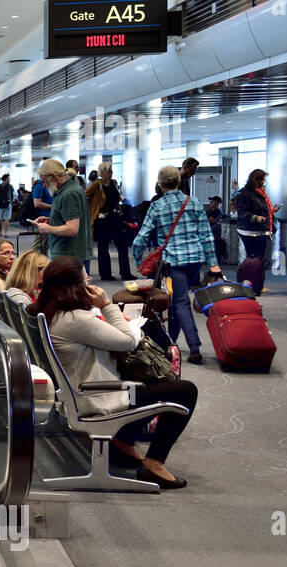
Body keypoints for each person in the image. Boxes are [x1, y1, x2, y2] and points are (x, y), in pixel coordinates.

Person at [29, 256, 195, 488]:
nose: (89, 279)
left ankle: (123, 442)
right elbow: (129, 342)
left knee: (150, 384)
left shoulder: (52, 311)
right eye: (85, 277)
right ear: (77, 286)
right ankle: (154, 464)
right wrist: (107, 306)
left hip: (80, 393)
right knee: (185, 391)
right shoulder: (76, 319)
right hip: (97, 397)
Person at [132, 165, 221, 366]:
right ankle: (169, 341)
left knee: (180, 300)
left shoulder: (157, 206)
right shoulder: (194, 202)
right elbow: (207, 236)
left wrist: (140, 262)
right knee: (177, 299)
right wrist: (213, 264)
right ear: (179, 183)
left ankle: (194, 345)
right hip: (195, 259)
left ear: (160, 184)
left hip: (174, 261)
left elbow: (140, 239)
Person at [32, 157, 93, 266]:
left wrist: (48, 228)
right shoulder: (65, 191)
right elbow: (71, 219)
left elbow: (71, 229)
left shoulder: (69, 194)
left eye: (45, 181)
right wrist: (51, 220)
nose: (44, 185)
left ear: (54, 177)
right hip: (67, 254)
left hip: (68, 255)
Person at [89, 162, 133, 281]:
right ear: (102, 172)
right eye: (109, 170)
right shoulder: (96, 185)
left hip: (115, 218)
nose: (112, 172)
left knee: (123, 246)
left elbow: (118, 197)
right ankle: (105, 274)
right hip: (102, 220)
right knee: (103, 247)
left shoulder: (113, 183)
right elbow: (84, 196)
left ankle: (125, 273)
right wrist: (94, 211)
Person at [235, 169, 279, 264]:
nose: (263, 182)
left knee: (259, 258)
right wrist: (255, 217)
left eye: (264, 180)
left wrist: (271, 210)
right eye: (262, 179)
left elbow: (260, 209)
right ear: (255, 180)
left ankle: (254, 276)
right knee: (254, 258)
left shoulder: (260, 193)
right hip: (250, 230)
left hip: (261, 229)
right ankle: (250, 276)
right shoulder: (246, 194)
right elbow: (242, 212)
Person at [0, 173, 14, 238]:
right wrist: (10, 201)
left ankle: (0, 232)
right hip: (7, 204)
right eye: (9, 178)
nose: (10, 179)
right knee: (7, 219)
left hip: (0, 204)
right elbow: (12, 196)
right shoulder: (10, 186)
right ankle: (5, 233)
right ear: (6, 179)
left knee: (0, 219)